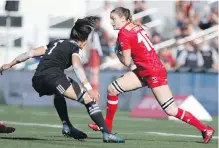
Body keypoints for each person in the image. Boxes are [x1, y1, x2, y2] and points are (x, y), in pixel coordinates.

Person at [88, 7, 214, 144]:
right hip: (145, 70)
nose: (111, 22)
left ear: (123, 19)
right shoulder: (134, 27)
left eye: (114, 19)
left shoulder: (124, 33)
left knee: (171, 110)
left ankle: (205, 128)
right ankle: (107, 127)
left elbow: (126, 61)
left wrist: (116, 51)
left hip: (153, 72)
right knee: (112, 89)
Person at [0, 16, 124, 143]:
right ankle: (107, 133)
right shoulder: (75, 47)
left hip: (37, 79)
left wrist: (9, 64)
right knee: (89, 99)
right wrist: (89, 88)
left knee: (58, 93)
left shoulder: (55, 43)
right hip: (53, 77)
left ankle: (67, 126)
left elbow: (30, 53)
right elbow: (76, 66)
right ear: (83, 41)